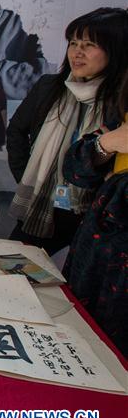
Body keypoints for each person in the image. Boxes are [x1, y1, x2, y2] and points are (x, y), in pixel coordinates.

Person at [7, 8, 127, 254]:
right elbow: (17, 131)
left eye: (89, 44)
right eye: (73, 43)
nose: (77, 52)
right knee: (12, 262)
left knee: (73, 284)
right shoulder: (50, 87)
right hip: (42, 200)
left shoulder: (122, 102)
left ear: (116, 51)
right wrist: (26, 176)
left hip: (92, 211)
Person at [62, 69, 128, 357]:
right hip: (98, 254)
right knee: (82, 340)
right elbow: (75, 170)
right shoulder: (120, 122)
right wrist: (107, 145)